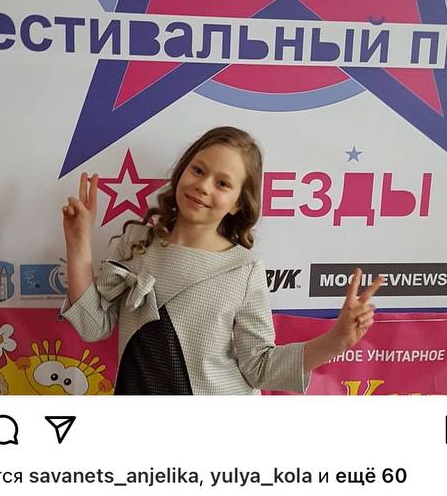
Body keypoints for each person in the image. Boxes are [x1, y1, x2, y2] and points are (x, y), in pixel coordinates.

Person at [60, 126, 383, 395]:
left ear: (237, 203)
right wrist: (78, 242)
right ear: (182, 171)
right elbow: (92, 326)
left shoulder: (243, 269)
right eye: (198, 170)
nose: (203, 186)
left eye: (222, 183)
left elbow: (260, 366)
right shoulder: (136, 243)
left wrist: (336, 340)